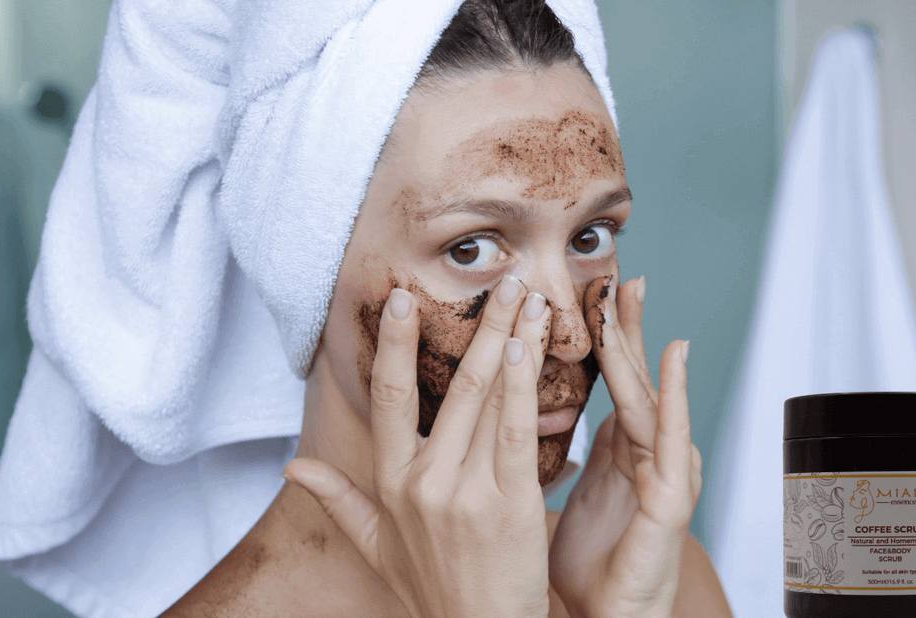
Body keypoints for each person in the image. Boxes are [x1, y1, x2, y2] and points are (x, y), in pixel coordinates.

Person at [162, 0, 730, 616]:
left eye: (590, 237)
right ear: (309, 269)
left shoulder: (656, 584)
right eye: (472, 248)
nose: (570, 335)